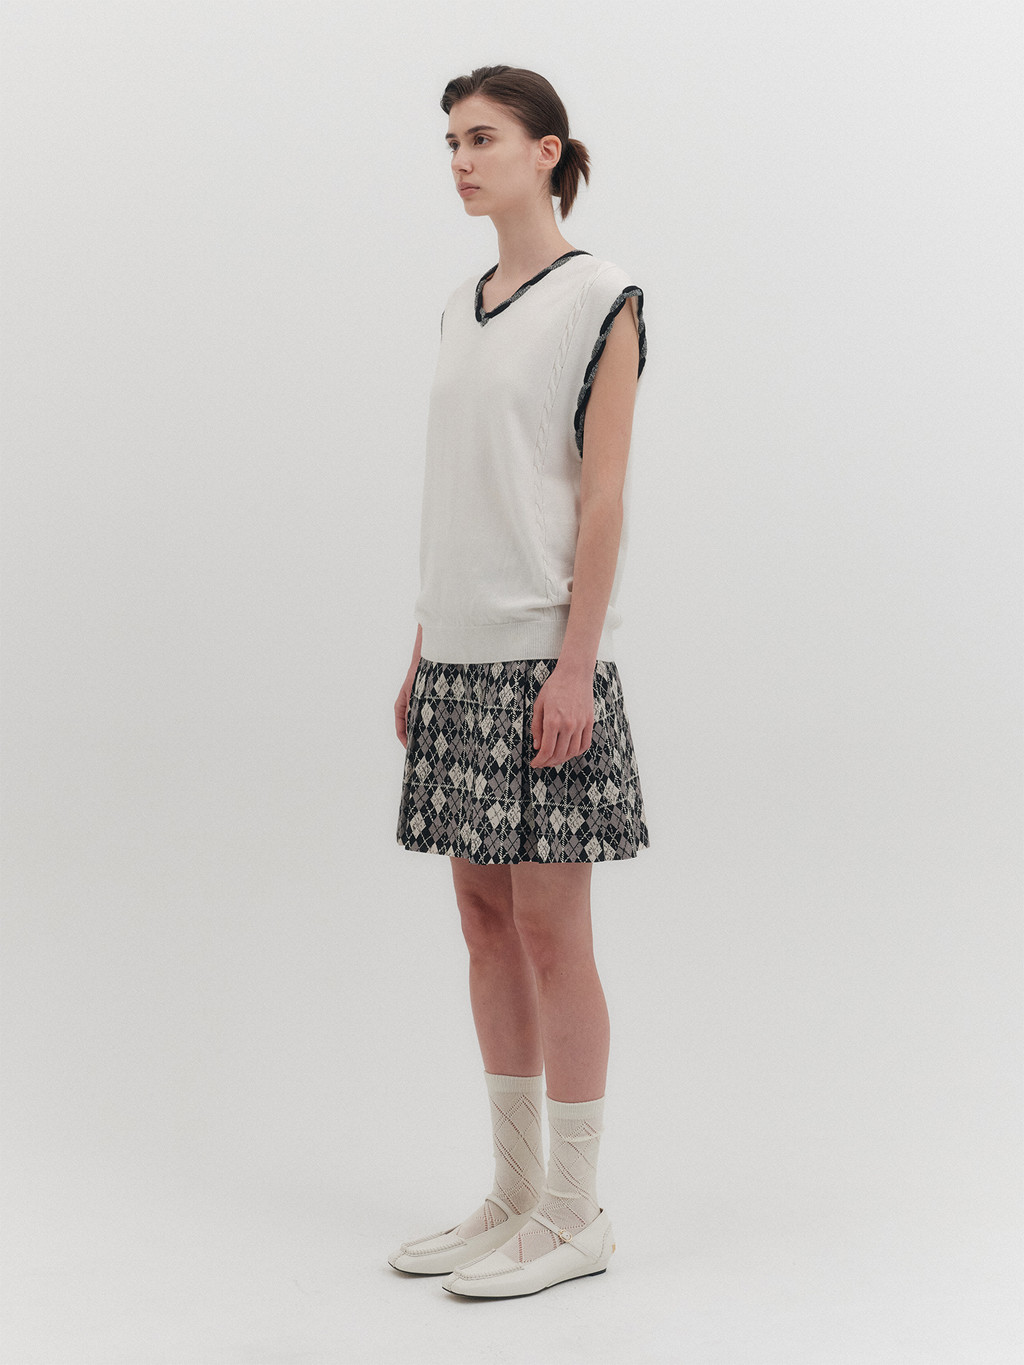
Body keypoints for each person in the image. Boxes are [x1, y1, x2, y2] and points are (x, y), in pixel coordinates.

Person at [389, 64, 650, 1300]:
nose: (459, 160)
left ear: (547, 152)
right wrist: (422, 644)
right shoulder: (460, 305)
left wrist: (576, 667)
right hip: (457, 654)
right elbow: (458, 493)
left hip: (545, 662)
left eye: (481, 138)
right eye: (450, 141)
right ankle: (510, 1191)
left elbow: (601, 499)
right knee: (482, 923)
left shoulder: (602, 297)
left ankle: (575, 1211)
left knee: (551, 929)